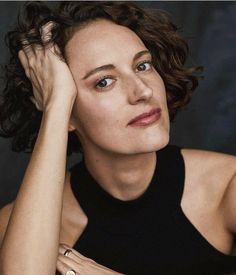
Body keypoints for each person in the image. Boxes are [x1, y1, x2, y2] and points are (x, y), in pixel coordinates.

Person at [0, 1, 235, 274]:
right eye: (104, 81)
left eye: (143, 65)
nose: (142, 91)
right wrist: (57, 104)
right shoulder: (19, 226)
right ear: (67, 111)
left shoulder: (228, 185)